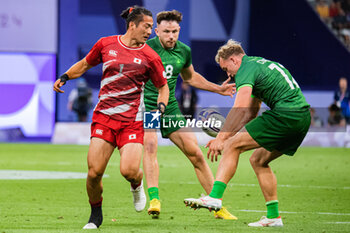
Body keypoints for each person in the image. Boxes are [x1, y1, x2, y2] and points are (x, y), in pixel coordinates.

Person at [53, 6, 169, 229]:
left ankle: (137, 183)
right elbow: (86, 64)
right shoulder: (106, 44)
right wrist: (65, 76)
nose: (150, 31)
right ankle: (96, 215)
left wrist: (161, 107)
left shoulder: (150, 56)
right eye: (147, 26)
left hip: (132, 120)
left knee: (128, 170)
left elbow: (162, 86)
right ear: (132, 25)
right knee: (94, 172)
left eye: (152, 27)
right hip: (104, 116)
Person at [184, 39, 311, 227]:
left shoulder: (245, 69)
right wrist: (227, 136)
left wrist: (222, 138)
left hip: (286, 114)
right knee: (258, 160)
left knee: (233, 146)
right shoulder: (259, 65)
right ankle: (274, 217)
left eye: (227, 69)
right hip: (302, 118)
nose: (228, 74)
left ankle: (215, 197)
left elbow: (241, 107)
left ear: (235, 60)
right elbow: (251, 112)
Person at [143, 10, 236, 219]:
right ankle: (154, 199)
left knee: (195, 153)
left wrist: (218, 89)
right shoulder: (146, 48)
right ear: (156, 31)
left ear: (179, 30)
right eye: (166, 31)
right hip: (147, 105)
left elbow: (191, 78)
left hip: (170, 107)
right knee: (150, 145)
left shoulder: (184, 51)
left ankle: (216, 205)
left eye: (175, 31)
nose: (171, 36)